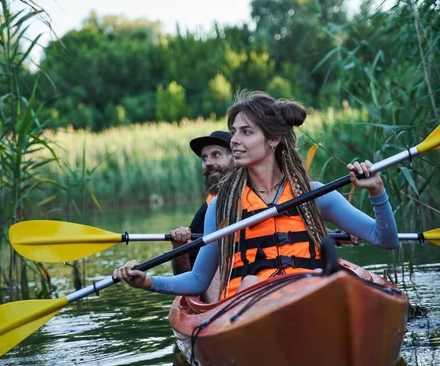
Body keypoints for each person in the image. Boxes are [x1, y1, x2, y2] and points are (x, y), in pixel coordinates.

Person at [114, 91, 398, 300]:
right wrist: (149, 281)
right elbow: (199, 280)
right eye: (234, 132)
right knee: (250, 281)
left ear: (273, 140)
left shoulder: (312, 194)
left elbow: (386, 240)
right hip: (252, 306)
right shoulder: (223, 206)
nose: (235, 140)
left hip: (312, 295)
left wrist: (376, 190)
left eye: (246, 132)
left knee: (334, 284)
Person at [170, 130, 234, 275]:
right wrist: (180, 249)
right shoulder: (205, 213)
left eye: (216, 155)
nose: (208, 163)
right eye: (204, 158)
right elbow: (186, 277)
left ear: (236, 157)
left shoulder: (258, 196)